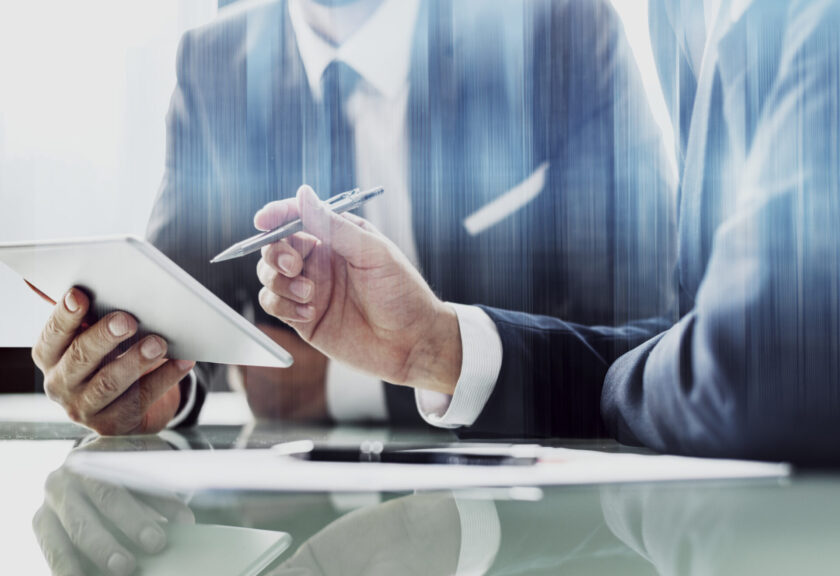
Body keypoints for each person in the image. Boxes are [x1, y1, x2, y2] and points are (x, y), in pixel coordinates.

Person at [29, 0, 675, 434]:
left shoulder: (559, 30)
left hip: (536, 528)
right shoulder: (216, 65)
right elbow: (175, 319)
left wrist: (349, 386)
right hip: (296, 549)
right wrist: (149, 390)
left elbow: (656, 343)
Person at [256, 0, 840, 464]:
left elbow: (759, 365)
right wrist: (435, 346)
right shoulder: (679, 14)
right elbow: (690, 348)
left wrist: (623, 382)